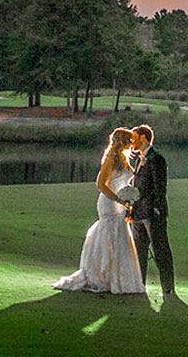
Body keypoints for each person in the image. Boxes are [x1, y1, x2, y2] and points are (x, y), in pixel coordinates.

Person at [52, 128, 145, 294]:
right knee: (109, 233)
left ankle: (116, 277)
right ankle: (101, 276)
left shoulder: (124, 158)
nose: (132, 143)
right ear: (123, 141)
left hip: (121, 203)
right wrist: (118, 199)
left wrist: (128, 196)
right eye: (129, 140)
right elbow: (101, 184)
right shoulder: (110, 159)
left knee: (120, 235)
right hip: (109, 202)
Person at [127, 123, 174, 297]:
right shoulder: (139, 159)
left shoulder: (157, 159)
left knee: (161, 250)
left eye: (134, 138)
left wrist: (157, 209)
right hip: (138, 212)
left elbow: (160, 187)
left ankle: (168, 289)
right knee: (139, 252)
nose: (132, 142)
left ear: (144, 138)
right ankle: (140, 286)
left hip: (152, 214)